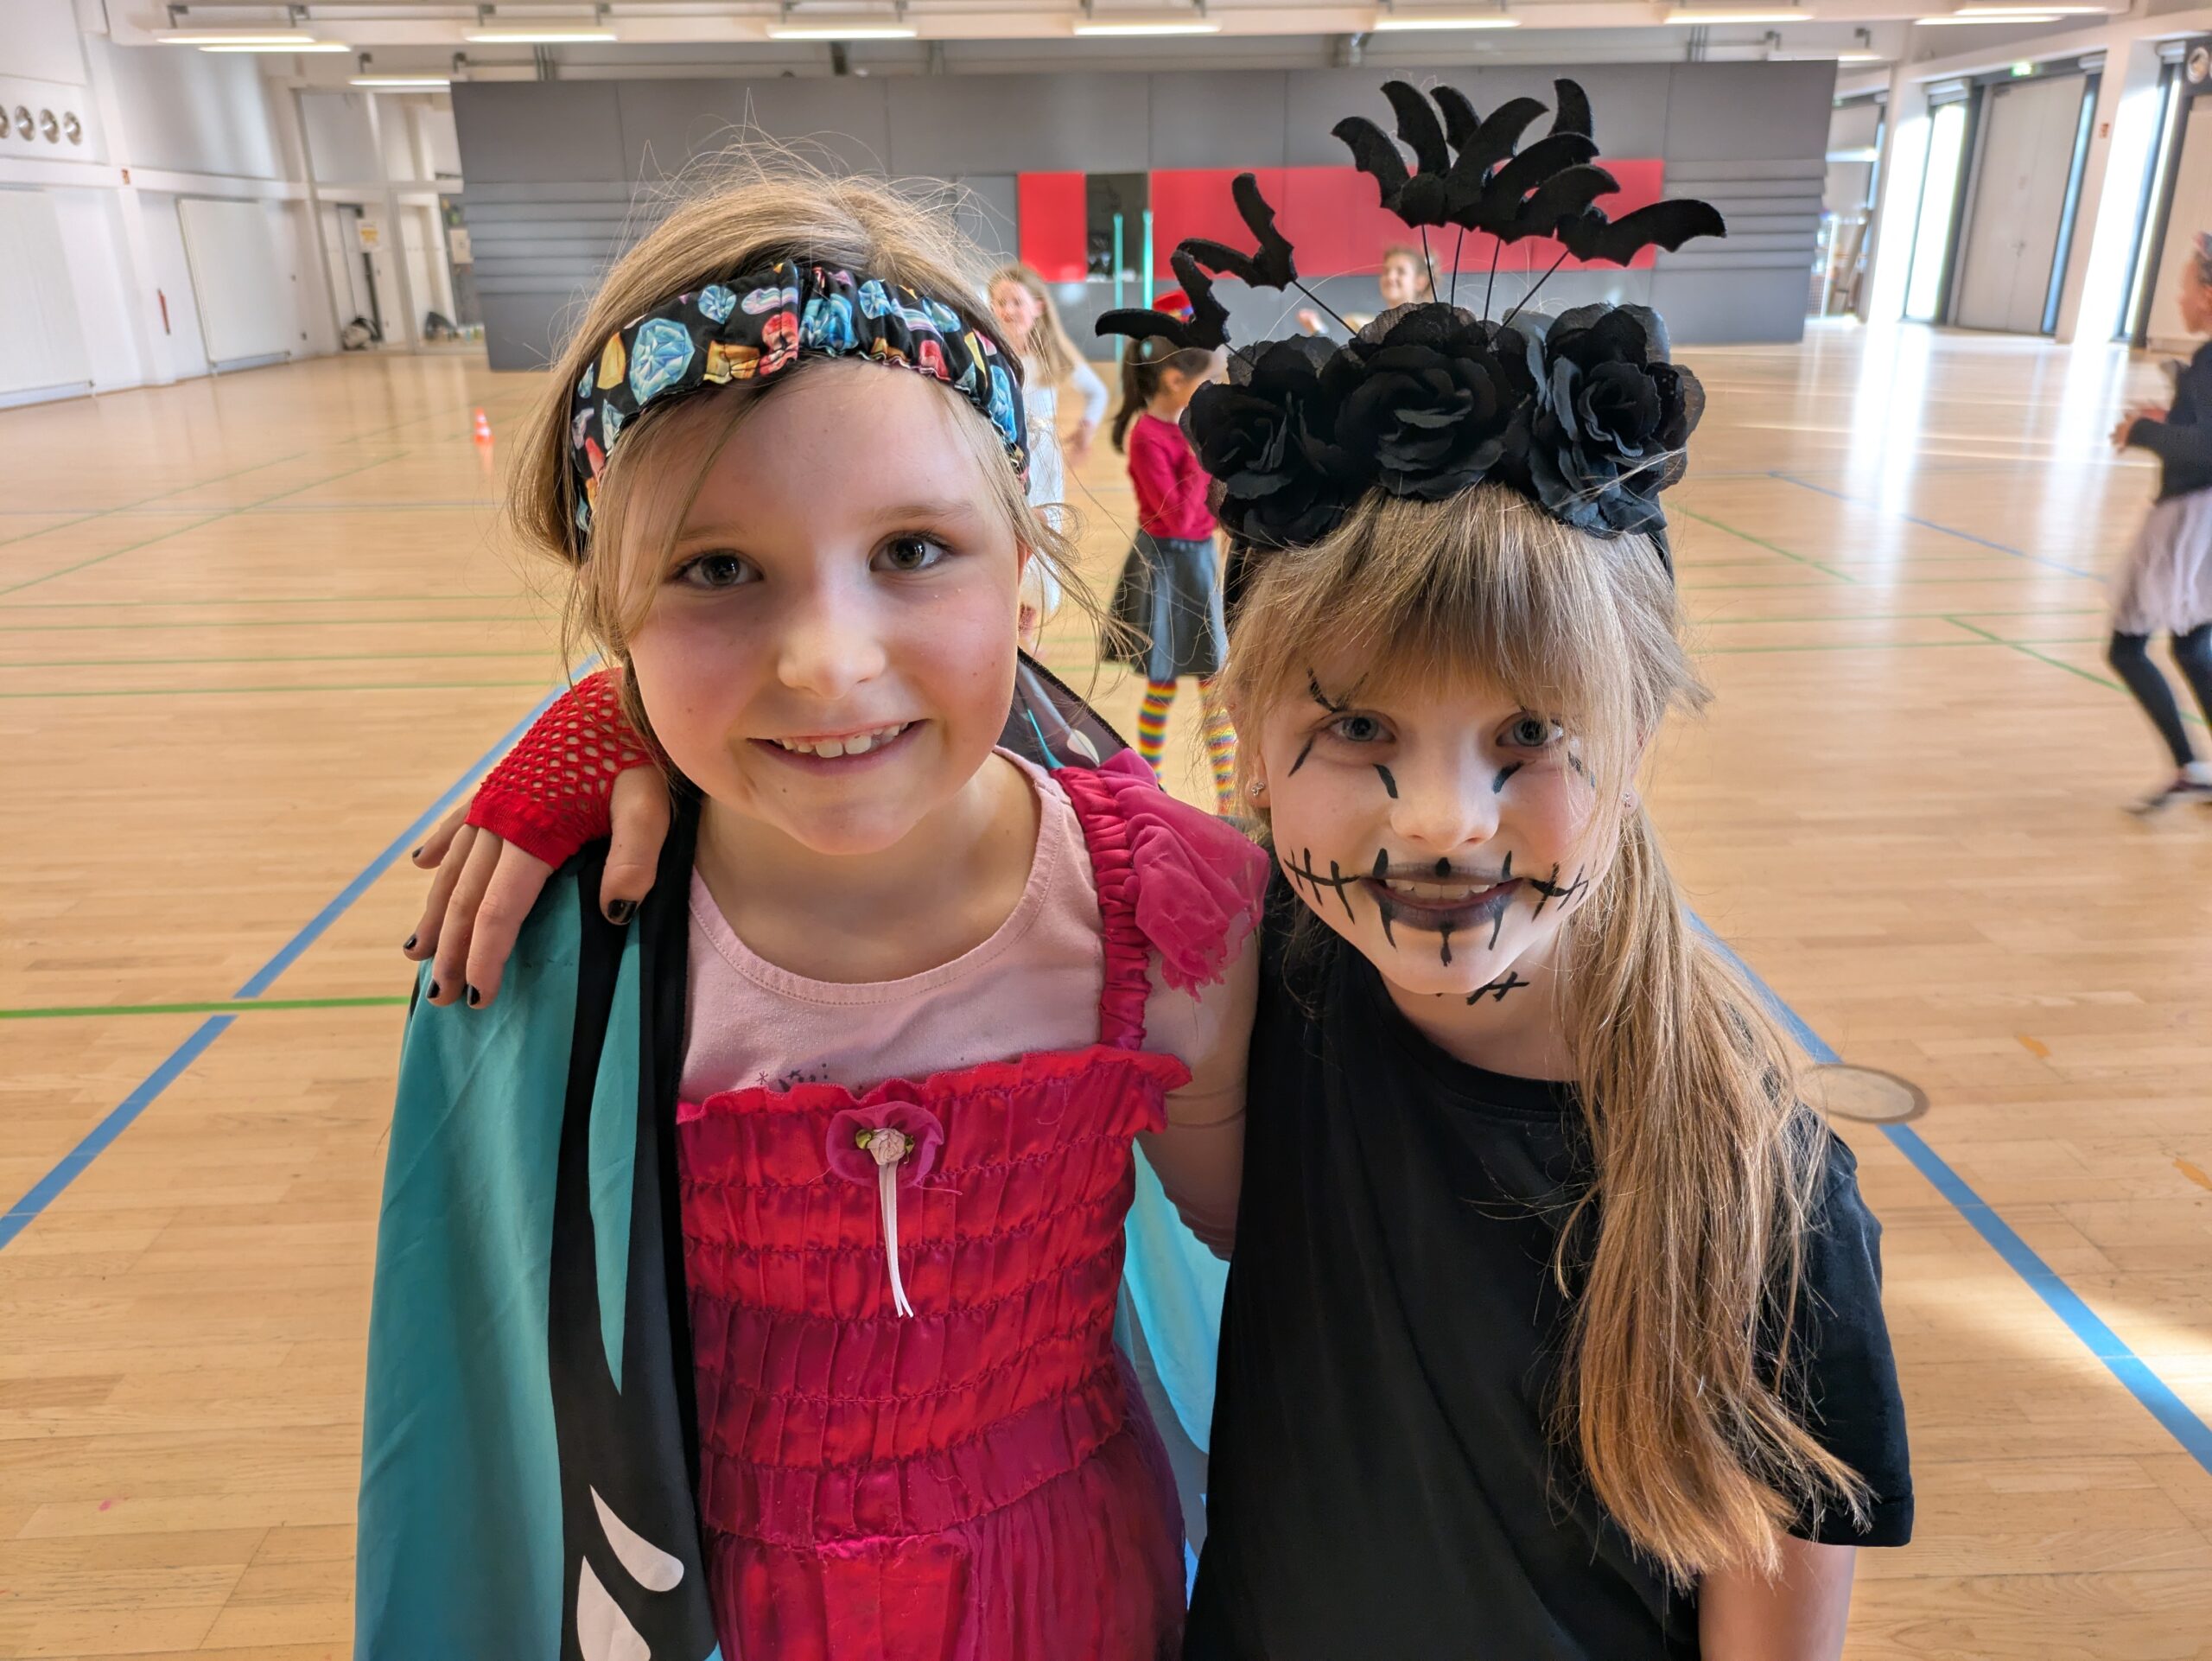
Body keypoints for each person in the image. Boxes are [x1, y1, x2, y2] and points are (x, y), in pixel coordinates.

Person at [400, 76, 1912, 1660]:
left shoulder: (1730, 1178)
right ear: (1247, 730)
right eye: (1359, 730)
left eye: (1530, 735)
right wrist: (612, 720)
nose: (1440, 824)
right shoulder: (1277, 965)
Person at [355, 158, 1269, 1661]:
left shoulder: (1165, 916)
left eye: (911, 550)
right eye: (718, 568)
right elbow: (473, 1396)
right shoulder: (569, 948)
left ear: (1028, 575)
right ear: (614, 617)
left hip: (1076, 1601)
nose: (828, 661)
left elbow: (1305, 1273)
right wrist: (611, 724)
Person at [1109, 332, 1236, 811]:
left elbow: (1207, 509)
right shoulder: (1148, 436)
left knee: (1213, 683)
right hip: (1165, 566)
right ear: (1174, 380)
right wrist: (1202, 455)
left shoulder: (1188, 428)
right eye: (1208, 381)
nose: (1214, 391)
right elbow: (1178, 516)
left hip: (1198, 562)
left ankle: (1229, 798)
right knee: (1161, 682)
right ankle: (1150, 784)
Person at [2109, 232, 2212, 812]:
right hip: (2200, 518)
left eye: (2183, 287)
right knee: (2193, 647)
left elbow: (2207, 448)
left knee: (2127, 647)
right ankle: (2191, 769)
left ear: (2208, 295)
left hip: (2191, 519)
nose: (2178, 299)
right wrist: (2168, 420)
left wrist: (2143, 431)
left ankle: (2189, 768)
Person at [988, 262, 1110, 648]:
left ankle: (1024, 633)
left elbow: (1098, 392)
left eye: (1016, 302)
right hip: (999, 460)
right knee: (1001, 539)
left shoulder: (1049, 354)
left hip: (1041, 464)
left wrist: (1085, 431)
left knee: (1039, 545)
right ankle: (999, 628)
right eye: (1000, 302)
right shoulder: (988, 352)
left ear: (1038, 306)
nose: (1007, 311)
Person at [1295, 241, 1433, 336]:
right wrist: (1318, 331)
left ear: (1420, 282)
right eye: (1386, 271)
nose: (1390, 277)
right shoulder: (1370, 327)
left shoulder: (1428, 327)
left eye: (1401, 271)